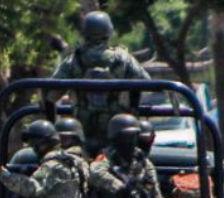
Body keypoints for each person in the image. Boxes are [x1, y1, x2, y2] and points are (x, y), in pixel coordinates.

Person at [51, 11, 150, 155]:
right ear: (109, 31)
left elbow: (51, 94)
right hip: (120, 138)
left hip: (82, 138)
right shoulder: (123, 58)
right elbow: (146, 83)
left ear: (85, 32)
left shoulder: (73, 60)